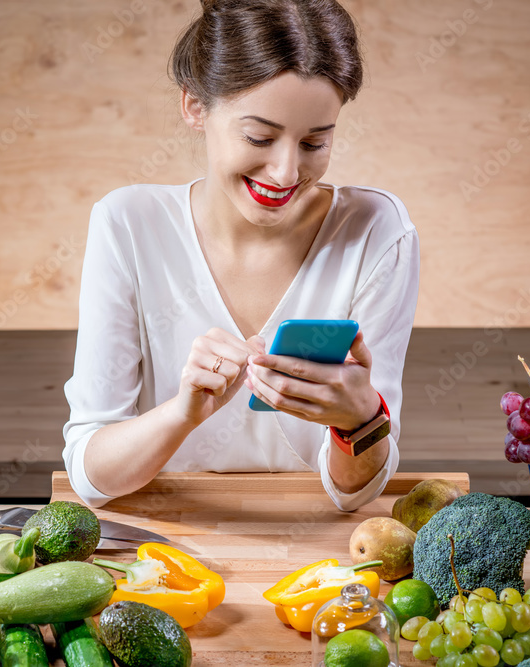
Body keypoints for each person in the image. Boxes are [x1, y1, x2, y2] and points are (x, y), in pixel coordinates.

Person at [62, 0, 419, 511]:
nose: (286, 172)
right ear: (195, 106)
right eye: (260, 137)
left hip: (318, 551)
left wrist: (359, 419)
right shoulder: (128, 224)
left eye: (315, 142)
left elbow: (354, 493)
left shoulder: (377, 232)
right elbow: (92, 476)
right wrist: (182, 413)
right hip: (167, 540)